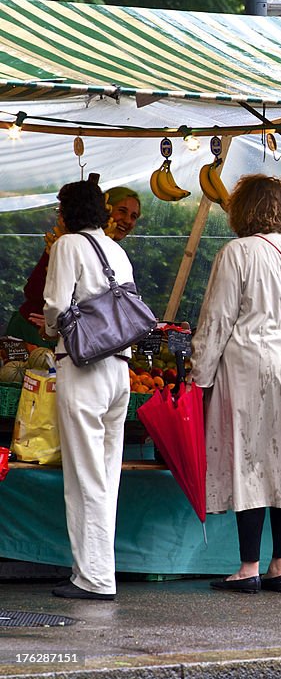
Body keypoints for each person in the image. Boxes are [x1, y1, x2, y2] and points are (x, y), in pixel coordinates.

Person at [190, 174, 281, 594]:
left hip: (251, 367)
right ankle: (279, 565)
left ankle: (247, 567)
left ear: (240, 209)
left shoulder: (236, 253)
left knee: (249, 461)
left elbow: (216, 320)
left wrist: (199, 377)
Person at [40, 181, 139, 601]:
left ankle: (94, 578)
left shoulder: (67, 247)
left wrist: (48, 329)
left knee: (84, 477)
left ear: (67, 213)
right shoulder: (116, 251)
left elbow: (56, 306)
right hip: (119, 371)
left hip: (83, 369)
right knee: (105, 479)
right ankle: (99, 573)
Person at [8, 186, 141, 346]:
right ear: (104, 210)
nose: (127, 220)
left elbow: (61, 305)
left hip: (78, 340)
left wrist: (56, 324)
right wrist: (55, 323)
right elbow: (38, 293)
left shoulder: (109, 251)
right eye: (122, 211)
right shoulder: (69, 242)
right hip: (37, 332)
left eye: (134, 216)